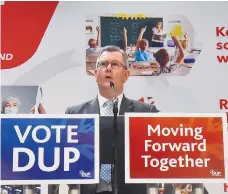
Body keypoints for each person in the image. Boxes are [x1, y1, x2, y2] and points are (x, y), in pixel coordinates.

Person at [65, 45, 159, 194]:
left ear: (126, 75)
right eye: (103, 64)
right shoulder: (75, 114)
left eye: (115, 64)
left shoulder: (146, 113)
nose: (108, 68)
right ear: (95, 74)